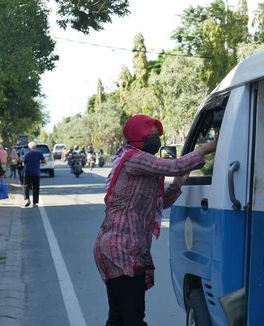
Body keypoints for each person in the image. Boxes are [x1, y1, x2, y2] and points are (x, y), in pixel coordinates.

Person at [93, 114, 217, 326]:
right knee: (133, 318)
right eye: (149, 134)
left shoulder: (143, 165)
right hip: (121, 250)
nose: (155, 138)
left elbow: (161, 202)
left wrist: (178, 184)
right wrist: (207, 148)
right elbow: (174, 166)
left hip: (121, 248)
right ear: (136, 136)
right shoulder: (133, 158)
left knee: (119, 317)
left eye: (156, 135)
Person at [23, 141, 46, 207]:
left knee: (26, 186)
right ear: (35, 147)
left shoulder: (27, 154)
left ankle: (28, 199)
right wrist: (39, 161)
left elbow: (25, 164)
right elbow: (44, 161)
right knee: (36, 187)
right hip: (36, 173)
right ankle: (34, 203)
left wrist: (24, 172)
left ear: (29, 147)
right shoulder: (39, 153)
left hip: (27, 173)